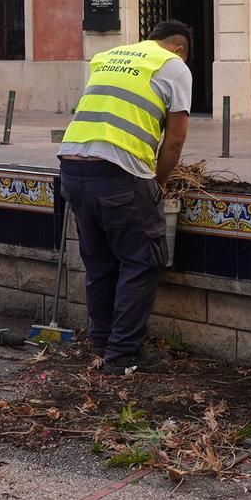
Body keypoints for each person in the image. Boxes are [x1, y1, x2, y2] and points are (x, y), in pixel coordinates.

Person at [57, 21, 194, 375]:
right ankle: (123, 354)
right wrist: (157, 185)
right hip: (118, 172)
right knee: (144, 258)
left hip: (71, 168)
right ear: (179, 49)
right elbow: (175, 142)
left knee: (100, 261)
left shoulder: (109, 56)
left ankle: (101, 343)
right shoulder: (173, 65)